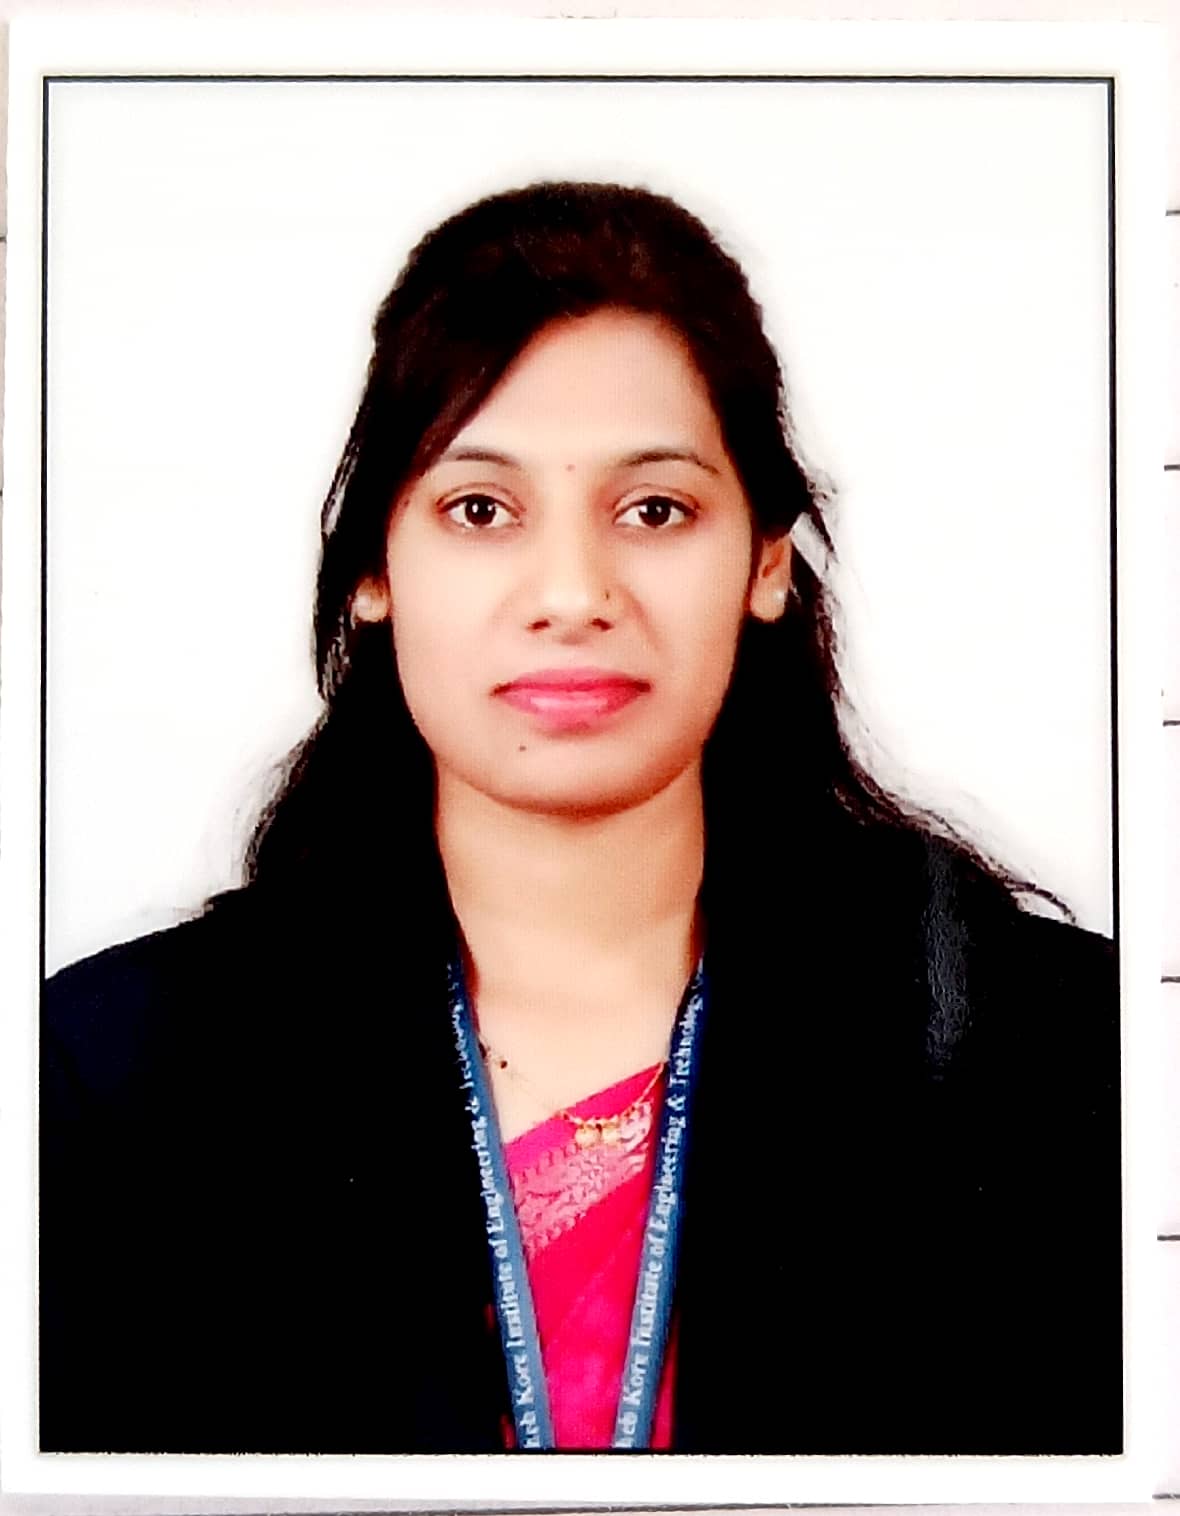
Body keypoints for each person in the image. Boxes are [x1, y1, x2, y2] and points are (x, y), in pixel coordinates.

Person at [40, 180, 1121, 1457]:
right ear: (376, 566)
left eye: (653, 509)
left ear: (766, 561)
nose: (571, 592)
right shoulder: (115, 1075)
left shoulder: (1050, 1053)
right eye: (480, 510)